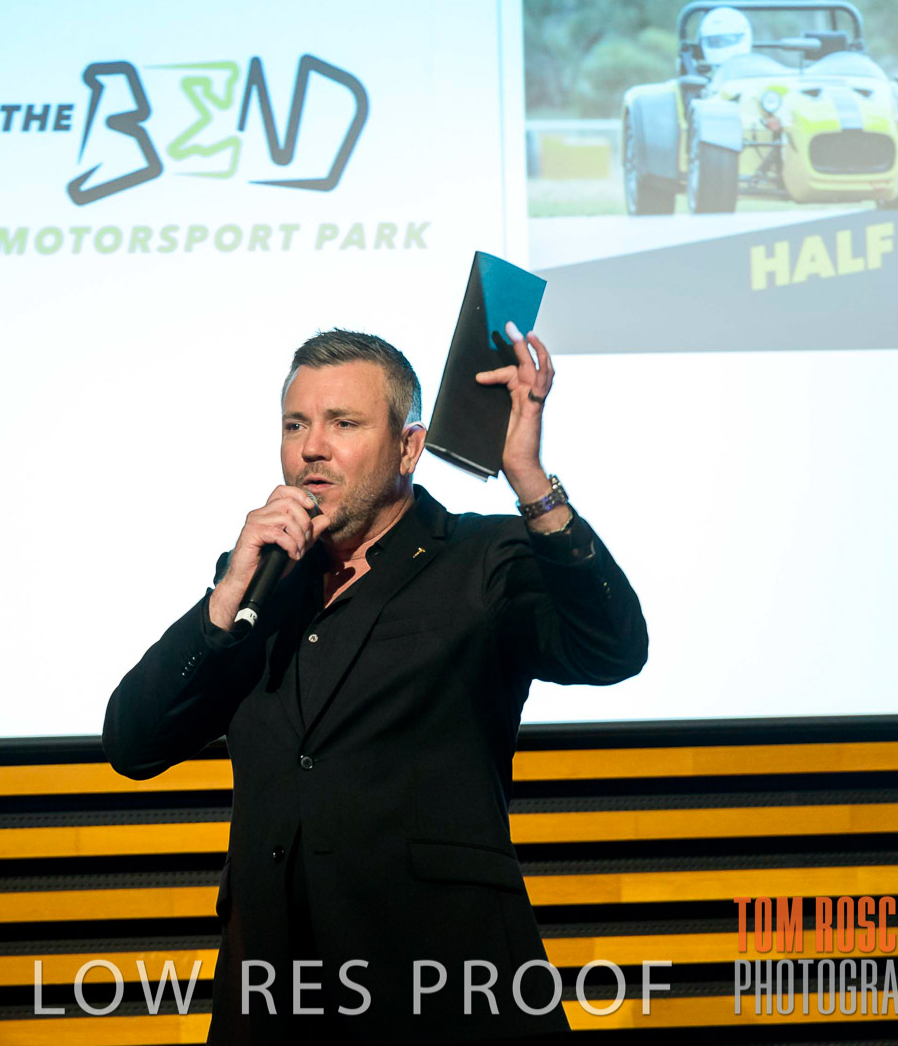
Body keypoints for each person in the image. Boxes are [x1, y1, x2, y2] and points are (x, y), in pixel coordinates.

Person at [102, 327, 648, 1044]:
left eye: (344, 423)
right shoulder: (260, 585)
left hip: (447, 990)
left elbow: (613, 648)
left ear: (408, 448)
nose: (312, 447)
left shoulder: (481, 558)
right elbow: (134, 743)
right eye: (295, 424)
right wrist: (229, 591)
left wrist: (530, 481)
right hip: (275, 997)